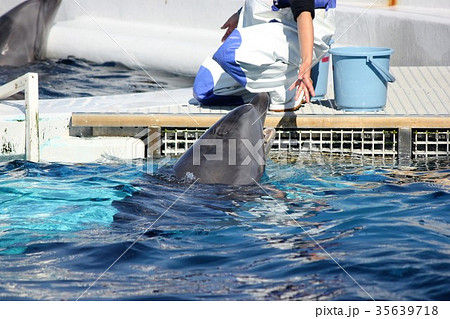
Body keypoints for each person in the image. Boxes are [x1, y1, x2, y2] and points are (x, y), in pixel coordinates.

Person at [193, 0, 336, 111]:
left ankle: (286, 92)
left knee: (229, 53)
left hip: (298, 34)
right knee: (204, 89)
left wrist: (306, 63)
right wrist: (241, 13)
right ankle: (265, 89)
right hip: (273, 32)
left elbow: (303, 11)